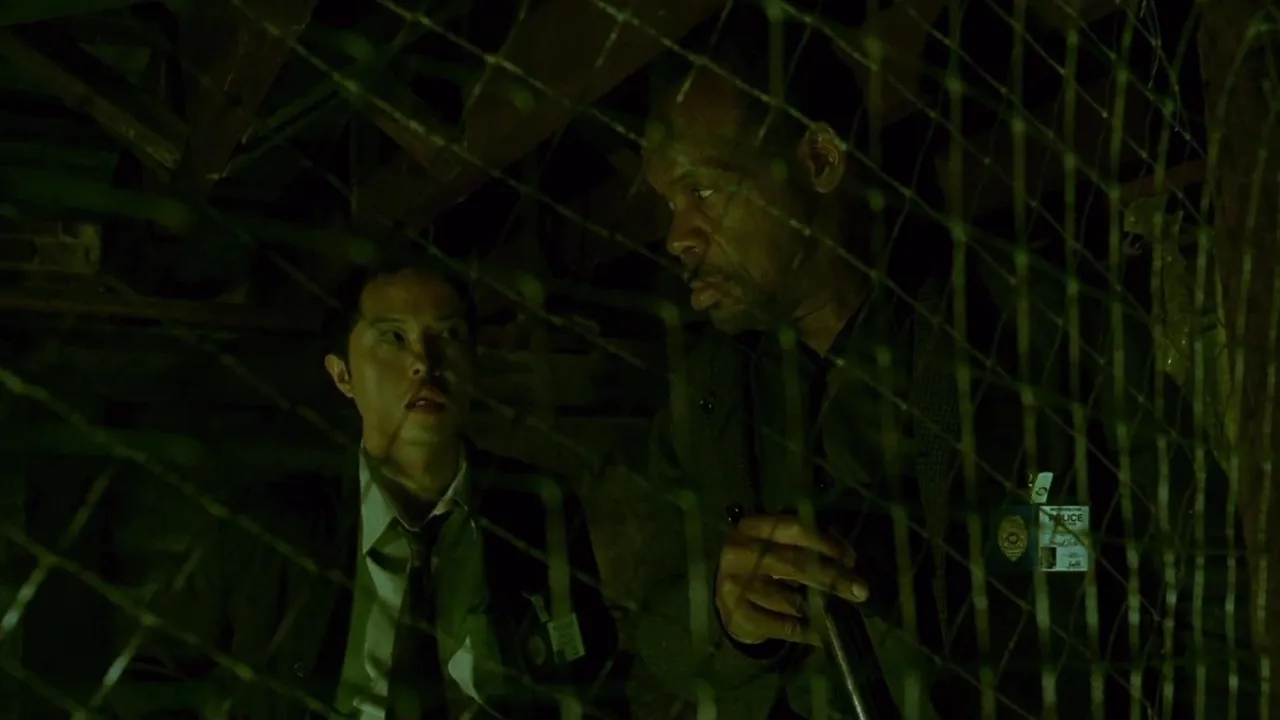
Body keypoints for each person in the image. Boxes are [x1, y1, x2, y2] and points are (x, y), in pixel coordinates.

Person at [628, 3, 1253, 719]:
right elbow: (651, 634)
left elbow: (1195, 559)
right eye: (668, 205)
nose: (678, 236)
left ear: (820, 160)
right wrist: (729, 618)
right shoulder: (704, 410)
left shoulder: (1028, 321)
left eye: (703, 190)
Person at [118, 257, 626, 719]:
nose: (424, 362)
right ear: (343, 374)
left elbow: (597, 681)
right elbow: (152, 677)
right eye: (394, 338)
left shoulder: (537, 508)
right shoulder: (269, 522)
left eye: (448, 335)